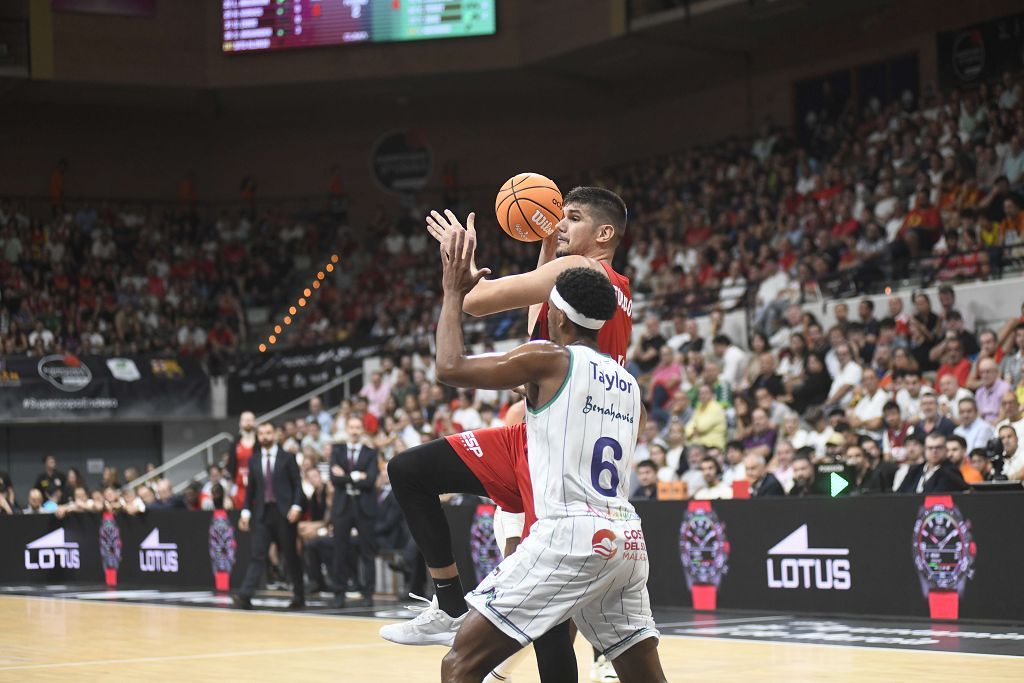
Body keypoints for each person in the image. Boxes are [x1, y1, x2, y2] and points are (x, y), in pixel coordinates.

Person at [383, 187, 635, 672]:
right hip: (561, 440)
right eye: (558, 217)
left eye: (572, 218)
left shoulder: (575, 271)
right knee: (411, 470)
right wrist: (545, 243)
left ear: (604, 234)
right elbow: (542, 330)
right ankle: (450, 608)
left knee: (543, 615)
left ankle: (453, 604)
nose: (560, 225)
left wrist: (459, 267)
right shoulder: (615, 290)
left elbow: (476, 304)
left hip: (553, 454)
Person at [421, 233, 664, 682]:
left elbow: (450, 367)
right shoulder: (630, 387)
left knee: (459, 665)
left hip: (570, 535)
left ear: (554, 313)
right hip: (627, 540)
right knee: (644, 677)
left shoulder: (548, 359)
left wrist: (453, 292)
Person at [234, 420, 305, 610]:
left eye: (268, 432)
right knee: (257, 554)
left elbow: (298, 484)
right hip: (262, 514)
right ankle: (245, 595)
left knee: (290, 555)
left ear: (275, 434)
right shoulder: (254, 459)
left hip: (284, 513)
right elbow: (251, 490)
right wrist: (246, 512)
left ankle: (299, 595)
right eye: (261, 433)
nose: (264, 436)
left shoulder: (288, 457)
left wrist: (297, 506)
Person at [329, 416, 380, 608]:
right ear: (346, 429)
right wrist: (357, 475)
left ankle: (368, 593)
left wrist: (346, 476)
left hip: (364, 507)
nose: (354, 430)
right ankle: (339, 593)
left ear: (362, 430)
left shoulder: (371, 452)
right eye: (351, 427)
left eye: (358, 427)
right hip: (343, 506)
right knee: (339, 550)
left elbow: (370, 480)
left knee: (368, 551)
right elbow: (334, 480)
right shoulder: (337, 450)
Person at [897, 433, 969, 493]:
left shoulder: (951, 472)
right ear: (924, 449)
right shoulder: (915, 470)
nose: (934, 451)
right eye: (930, 448)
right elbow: (899, 495)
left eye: (938, 447)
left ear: (945, 450)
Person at [225, 411, 257, 510]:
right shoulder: (234, 444)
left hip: (258, 490)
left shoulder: (261, 443)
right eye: (245, 419)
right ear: (240, 423)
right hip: (240, 491)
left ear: (255, 422)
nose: (247, 422)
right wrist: (227, 497)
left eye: (250, 419)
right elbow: (230, 470)